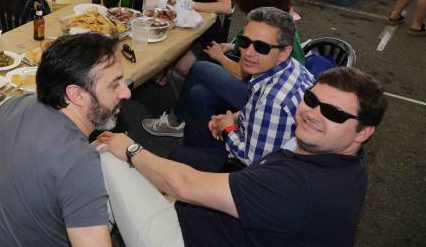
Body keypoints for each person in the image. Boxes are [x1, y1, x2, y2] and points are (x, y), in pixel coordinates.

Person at [99, 66, 386, 247]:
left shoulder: (295, 185)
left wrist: (131, 147)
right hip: (213, 226)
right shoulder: (348, 163)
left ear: (364, 132)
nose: (312, 114)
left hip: (182, 237)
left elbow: (185, 184)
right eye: (311, 99)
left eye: (333, 113)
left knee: (106, 155)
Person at [0, 33, 131, 246]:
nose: (127, 92)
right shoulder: (79, 162)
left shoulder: (19, 104)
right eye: (115, 84)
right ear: (77, 95)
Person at [144, 8, 314, 170]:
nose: (248, 53)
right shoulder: (288, 67)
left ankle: (193, 181)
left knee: (178, 155)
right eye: (244, 42)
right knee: (196, 118)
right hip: (260, 139)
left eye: (261, 47)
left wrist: (228, 128)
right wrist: (232, 117)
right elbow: (256, 107)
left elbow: (252, 162)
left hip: (258, 172)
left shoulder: (273, 101)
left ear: (284, 52)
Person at [205, 0, 306, 73]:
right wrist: (231, 46)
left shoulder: (264, 26)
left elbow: (242, 74)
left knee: (200, 69)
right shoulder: (277, 17)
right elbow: (263, 48)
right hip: (284, 79)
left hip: (263, 85)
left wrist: (219, 56)